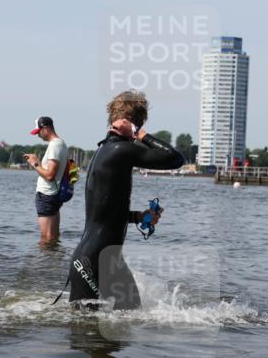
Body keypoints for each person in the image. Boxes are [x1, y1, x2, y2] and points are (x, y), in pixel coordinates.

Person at [67, 90, 184, 309]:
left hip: (101, 259)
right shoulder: (122, 150)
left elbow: (104, 213)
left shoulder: (104, 151)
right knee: (89, 338)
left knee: (126, 321)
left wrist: (139, 216)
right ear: (131, 123)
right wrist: (140, 133)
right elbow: (176, 158)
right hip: (93, 261)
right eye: (138, 124)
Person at [24, 116, 68, 246]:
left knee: (46, 238)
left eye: (38, 132)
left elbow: (50, 175)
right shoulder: (61, 144)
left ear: (46, 128)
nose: (38, 136)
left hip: (47, 195)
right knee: (53, 236)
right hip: (54, 194)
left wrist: (35, 164)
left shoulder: (55, 145)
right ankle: (53, 264)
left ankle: (44, 264)